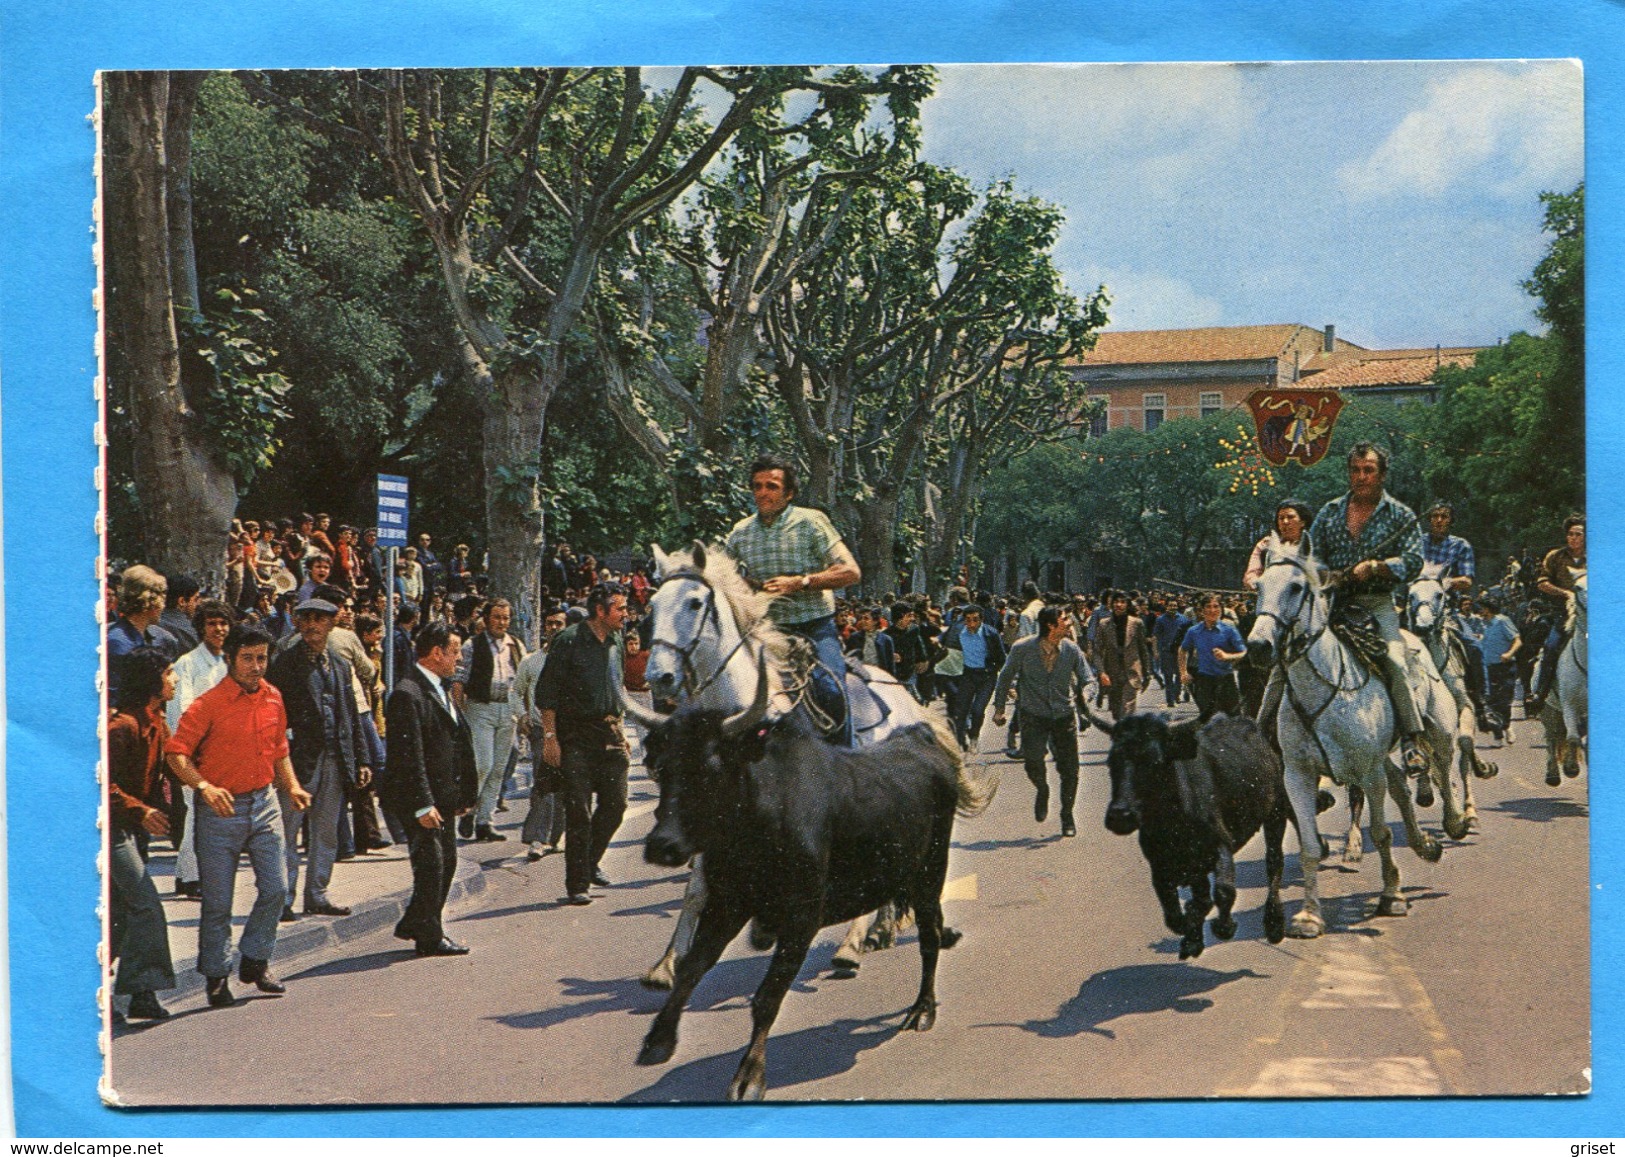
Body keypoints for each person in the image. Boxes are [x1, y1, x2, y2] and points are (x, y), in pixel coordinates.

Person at [166, 624, 311, 1008]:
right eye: (247, 658)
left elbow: (279, 748)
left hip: (264, 804)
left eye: (261, 657)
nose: (255, 666)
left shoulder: (274, 698)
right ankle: (216, 977)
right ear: (229, 659)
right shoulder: (207, 704)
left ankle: (256, 960)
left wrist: (292, 786)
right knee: (217, 902)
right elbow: (176, 753)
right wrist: (203, 787)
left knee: (277, 888)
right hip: (220, 810)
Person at [1306, 442, 1428, 775]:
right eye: (1356, 470)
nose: (1361, 476)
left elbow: (1415, 560)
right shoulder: (1329, 512)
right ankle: (1271, 736)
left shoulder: (1400, 514)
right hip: (1334, 605)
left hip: (1377, 605)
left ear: (1382, 474)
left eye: (1369, 470)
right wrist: (1328, 575)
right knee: (1291, 657)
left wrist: (1377, 567)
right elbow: (1313, 556)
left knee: (1394, 660)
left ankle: (1412, 740)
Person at [724, 454, 861, 740]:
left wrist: (801, 582)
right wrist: (746, 587)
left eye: (772, 486)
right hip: (765, 632)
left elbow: (850, 572)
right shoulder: (740, 532)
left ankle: (845, 758)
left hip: (813, 626)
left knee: (831, 690)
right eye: (758, 486)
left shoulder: (811, 522)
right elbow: (726, 581)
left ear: (789, 493)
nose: (763, 493)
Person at [266, 598, 372, 918]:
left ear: (331, 623)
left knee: (325, 831)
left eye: (320, 619)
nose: (312, 625)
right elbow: (272, 714)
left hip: (334, 758)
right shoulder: (284, 663)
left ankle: (317, 894)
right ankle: (282, 898)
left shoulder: (340, 663)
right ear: (297, 623)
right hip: (297, 760)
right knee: (287, 829)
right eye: (306, 618)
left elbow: (350, 713)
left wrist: (362, 758)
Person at [379, 621, 477, 956]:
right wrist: (421, 804)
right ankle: (429, 935)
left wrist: (462, 795)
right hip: (420, 800)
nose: (459, 658)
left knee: (445, 863)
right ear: (436, 653)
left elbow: (453, 742)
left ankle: (416, 923)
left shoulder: (440, 688)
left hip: (442, 797)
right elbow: (410, 756)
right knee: (433, 864)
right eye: (455, 651)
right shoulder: (408, 694)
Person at [536, 583, 631, 905]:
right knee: (578, 811)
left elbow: (616, 688)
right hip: (574, 736)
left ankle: (590, 863)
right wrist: (550, 738)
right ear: (600, 611)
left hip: (610, 733)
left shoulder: (617, 639)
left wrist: (622, 731)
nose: (625, 614)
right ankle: (577, 883)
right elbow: (546, 693)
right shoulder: (569, 640)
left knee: (616, 805)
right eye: (620, 608)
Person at [107, 646, 179, 1021]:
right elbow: (102, 784)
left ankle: (133, 994)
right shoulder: (123, 727)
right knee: (145, 904)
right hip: (111, 830)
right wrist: (142, 810)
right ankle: (140, 988)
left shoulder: (156, 722)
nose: (175, 679)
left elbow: (168, 770)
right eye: (169, 673)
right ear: (152, 680)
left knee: (122, 909)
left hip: (132, 830)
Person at [992, 606, 1097, 837]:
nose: (1070, 623)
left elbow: (1089, 679)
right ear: (1051, 625)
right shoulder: (1022, 648)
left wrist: (1085, 696)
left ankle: (1067, 815)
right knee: (1032, 762)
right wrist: (999, 709)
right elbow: (1005, 677)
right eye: (1065, 620)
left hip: (1063, 715)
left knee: (1070, 770)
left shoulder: (1071, 649)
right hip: (1033, 714)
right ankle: (1042, 788)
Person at [164, 599, 236, 900]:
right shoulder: (188, 663)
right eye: (212, 624)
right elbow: (181, 713)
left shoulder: (229, 662)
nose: (219, 629)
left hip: (225, 750)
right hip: (196, 752)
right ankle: (193, 877)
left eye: (223, 623)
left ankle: (186, 875)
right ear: (201, 628)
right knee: (197, 814)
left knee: (209, 815)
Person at [451, 597, 528, 842]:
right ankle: (469, 810)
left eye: (505, 618)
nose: (501, 622)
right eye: (496, 617)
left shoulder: (516, 645)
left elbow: (524, 680)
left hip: (508, 708)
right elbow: (458, 680)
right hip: (480, 708)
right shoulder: (471, 645)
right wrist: (459, 713)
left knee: (499, 768)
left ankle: (485, 821)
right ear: (486, 618)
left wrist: (524, 713)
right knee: (482, 764)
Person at [1421, 501, 1492, 729]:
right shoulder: (1416, 543)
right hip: (1416, 606)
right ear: (1429, 519)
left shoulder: (1460, 546)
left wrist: (1447, 582)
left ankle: (1481, 704)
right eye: (1434, 516)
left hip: (1446, 610)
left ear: (1450, 520)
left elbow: (1467, 580)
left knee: (1474, 646)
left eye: (1444, 516)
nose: (1439, 520)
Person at [514, 606, 569, 860]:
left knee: (566, 786)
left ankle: (555, 837)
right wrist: (522, 716)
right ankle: (537, 838)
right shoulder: (532, 661)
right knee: (543, 783)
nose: (554, 628)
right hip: (540, 731)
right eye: (550, 624)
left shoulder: (576, 660)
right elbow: (515, 692)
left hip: (570, 732)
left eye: (559, 624)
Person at [1525, 514, 1586, 717]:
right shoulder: (1555, 557)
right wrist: (1565, 593)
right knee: (1551, 647)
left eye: (1578, 534)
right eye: (1570, 534)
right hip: (1563, 614)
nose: (1574, 538)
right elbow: (1541, 582)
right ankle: (1539, 693)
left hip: (1592, 615)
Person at [108, 565, 179, 700]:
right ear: (148, 602)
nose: (163, 606)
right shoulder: (117, 642)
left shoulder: (162, 638)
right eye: (161, 599)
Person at [942, 605, 1006, 752]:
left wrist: (1007, 685)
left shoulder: (991, 634)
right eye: (968, 620)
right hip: (967, 675)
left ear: (981, 620)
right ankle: (958, 742)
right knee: (962, 710)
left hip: (987, 676)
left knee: (978, 710)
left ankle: (974, 737)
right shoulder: (959, 634)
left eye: (975, 620)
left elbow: (1002, 659)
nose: (971, 624)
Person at [1179, 593, 1247, 723]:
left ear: (1221, 609)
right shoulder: (1194, 631)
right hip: (1204, 681)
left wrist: (1228, 656)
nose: (1212, 610)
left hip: (1227, 680)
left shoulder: (1229, 630)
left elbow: (1243, 652)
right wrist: (1183, 672)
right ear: (1202, 610)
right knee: (1209, 721)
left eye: (1216, 606)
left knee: (1234, 720)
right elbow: (1182, 650)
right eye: (1208, 607)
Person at [1090, 590, 1152, 721]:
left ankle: (1127, 739)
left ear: (1127, 604)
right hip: (1112, 674)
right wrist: (1101, 672)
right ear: (1111, 605)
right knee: (1116, 713)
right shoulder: (1104, 624)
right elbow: (1097, 651)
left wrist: (1147, 673)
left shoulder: (1136, 623)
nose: (1119, 605)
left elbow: (1143, 650)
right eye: (1116, 602)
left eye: (1122, 602)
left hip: (1131, 674)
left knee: (1127, 711)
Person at [1476, 596, 1522, 747]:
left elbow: (1517, 640)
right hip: (1489, 668)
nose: (1479, 611)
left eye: (1482, 608)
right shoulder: (1485, 625)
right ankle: (1497, 736)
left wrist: (1509, 654)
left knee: (1504, 700)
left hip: (1505, 667)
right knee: (1491, 701)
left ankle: (1507, 726)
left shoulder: (1502, 621)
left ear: (1488, 608)